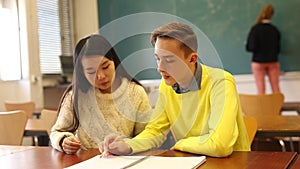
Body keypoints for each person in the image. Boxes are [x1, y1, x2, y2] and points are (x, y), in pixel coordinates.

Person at [99, 22, 250, 157]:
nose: (160, 68)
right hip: (190, 161)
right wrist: (127, 146)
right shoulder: (167, 84)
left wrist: (181, 144)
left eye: (169, 60)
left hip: (233, 164)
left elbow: (220, 145)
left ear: (192, 59)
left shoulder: (221, 82)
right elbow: (156, 130)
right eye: (158, 58)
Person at [50, 34, 152, 154]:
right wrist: (63, 141)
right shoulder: (75, 96)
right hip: (85, 162)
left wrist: (127, 146)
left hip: (123, 161)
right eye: (91, 71)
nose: (101, 76)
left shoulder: (135, 93)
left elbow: (147, 137)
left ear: (114, 62)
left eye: (105, 66)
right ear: (82, 72)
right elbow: (56, 132)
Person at [246, 4, 281, 94]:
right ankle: (277, 108)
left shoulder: (255, 29)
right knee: (276, 89)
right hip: (273, 62)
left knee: (261, 90)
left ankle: (263, 108)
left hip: (258, 62)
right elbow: (278, 49)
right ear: (272, 15)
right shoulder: (274, 30)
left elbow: (251, 47)